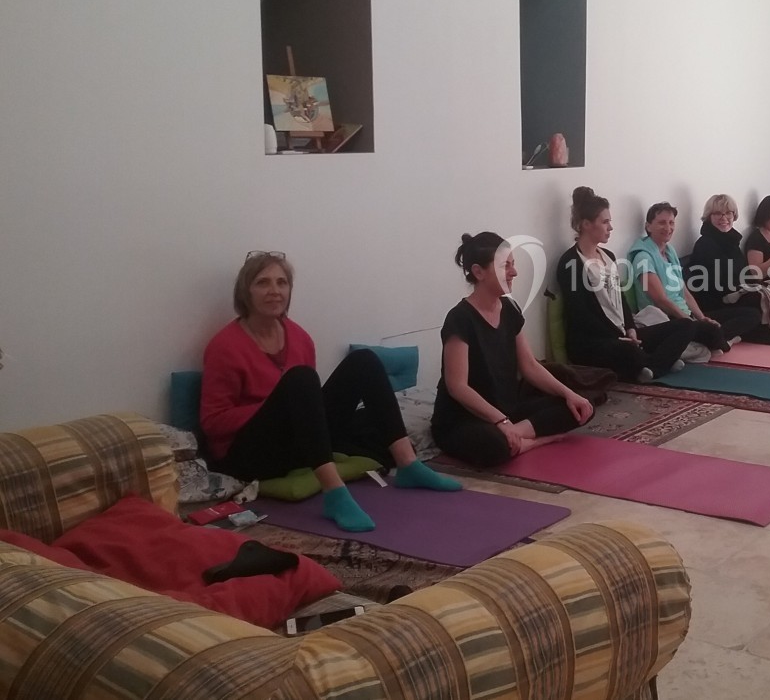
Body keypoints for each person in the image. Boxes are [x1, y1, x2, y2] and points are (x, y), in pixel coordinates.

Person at [200, 251, 459, 534]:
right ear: (245, 292)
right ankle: (334, 494)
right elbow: (212, 422)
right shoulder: (225, 346)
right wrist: (275, 406)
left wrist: (299, 409)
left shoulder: (299, 337)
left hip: (298, 446)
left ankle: (407, 464)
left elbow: (307, 405)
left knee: (364, 361)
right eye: (263, 283)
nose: (274, 291)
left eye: (281, 282)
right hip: (251, 456)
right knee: (301, 379)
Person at [432, 232, 595, 468]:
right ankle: (530, 441)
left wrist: (569, 394)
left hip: (506, 409)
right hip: (464, 418)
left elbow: (529, 366)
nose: (514, 272)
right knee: (494, 445)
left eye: (513, 264)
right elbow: (457, 387)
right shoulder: (460, 318)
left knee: (580, 406)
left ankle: (515, 437)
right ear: (479, 272)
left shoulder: (509, 309)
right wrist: (500, 421)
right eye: (504, 266)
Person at [557, 187, 695, 383]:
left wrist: (630, 328)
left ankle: (651, 366)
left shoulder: (609, 256)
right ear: (586, 224)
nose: (610, 228)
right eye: (605, 222)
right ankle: (657, 363)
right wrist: (617, 336)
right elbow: (580, 314)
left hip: (622, 333)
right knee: (629, 351)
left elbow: (620, 299)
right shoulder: (570, 262)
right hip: (594, 340)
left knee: (685, 326)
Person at [627, 202, 760, 351]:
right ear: (648, 226)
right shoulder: (643, 257)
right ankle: (717, 341)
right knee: (712, 332)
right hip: (667, 318)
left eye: (671, 223)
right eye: (662, 223)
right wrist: (690, 320)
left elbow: (684, 291)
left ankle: (715, 341)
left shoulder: (669, 251)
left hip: (686, 314)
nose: (668, 228)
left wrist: (702, 318)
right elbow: (660, 300)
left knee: (752, 314)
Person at [686, 193, 764, 317]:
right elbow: (717, 285)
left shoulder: (732, 242)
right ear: (709, 217)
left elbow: (744, 273)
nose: (724, 218)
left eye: (728, 213)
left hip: (735, 294)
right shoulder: (705, 244)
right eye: (718, 213)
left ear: (734, 215)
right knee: (759, 302)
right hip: (715, 303)